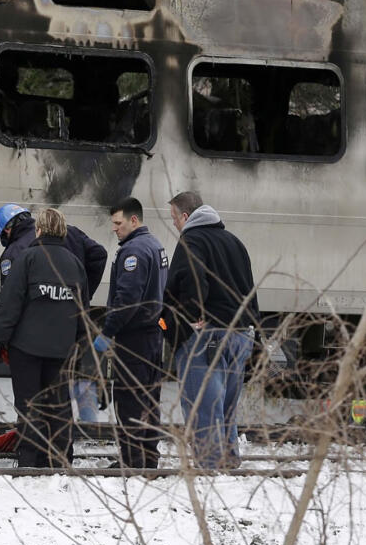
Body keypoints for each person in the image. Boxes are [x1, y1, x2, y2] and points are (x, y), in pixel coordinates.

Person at [165, 190, 258, 471]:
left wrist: (192, 318)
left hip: (208, 336)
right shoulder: (234, 242)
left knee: (202, 407)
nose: (174, 225)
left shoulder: (191, 240)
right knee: (227, 406)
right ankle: (229, 459)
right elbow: (249, 289)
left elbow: (192, 280)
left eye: (174, 218)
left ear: (185, 216)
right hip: (241, 333)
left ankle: (209, 467)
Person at [0, 208, 87, 467]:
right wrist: (79, 347)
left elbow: (10, 303)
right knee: (59, 407)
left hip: (27, 350)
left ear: (39, 229)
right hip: (62, 350)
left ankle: (30, 459)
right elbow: (82, 312)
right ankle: (60, 459)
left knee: (30, 405)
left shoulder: (28, 258)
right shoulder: (75, 263)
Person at [91, 197, 168, 469]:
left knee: (129, 399)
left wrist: (108, 332)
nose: (115, 228)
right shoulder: (156, 246)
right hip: (152, 337)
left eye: (118, 223)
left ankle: (131, 459)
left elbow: (127, 299)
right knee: (149, 399)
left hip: (133, 338)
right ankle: (148, 457)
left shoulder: (133, 252)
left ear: (134, 220)